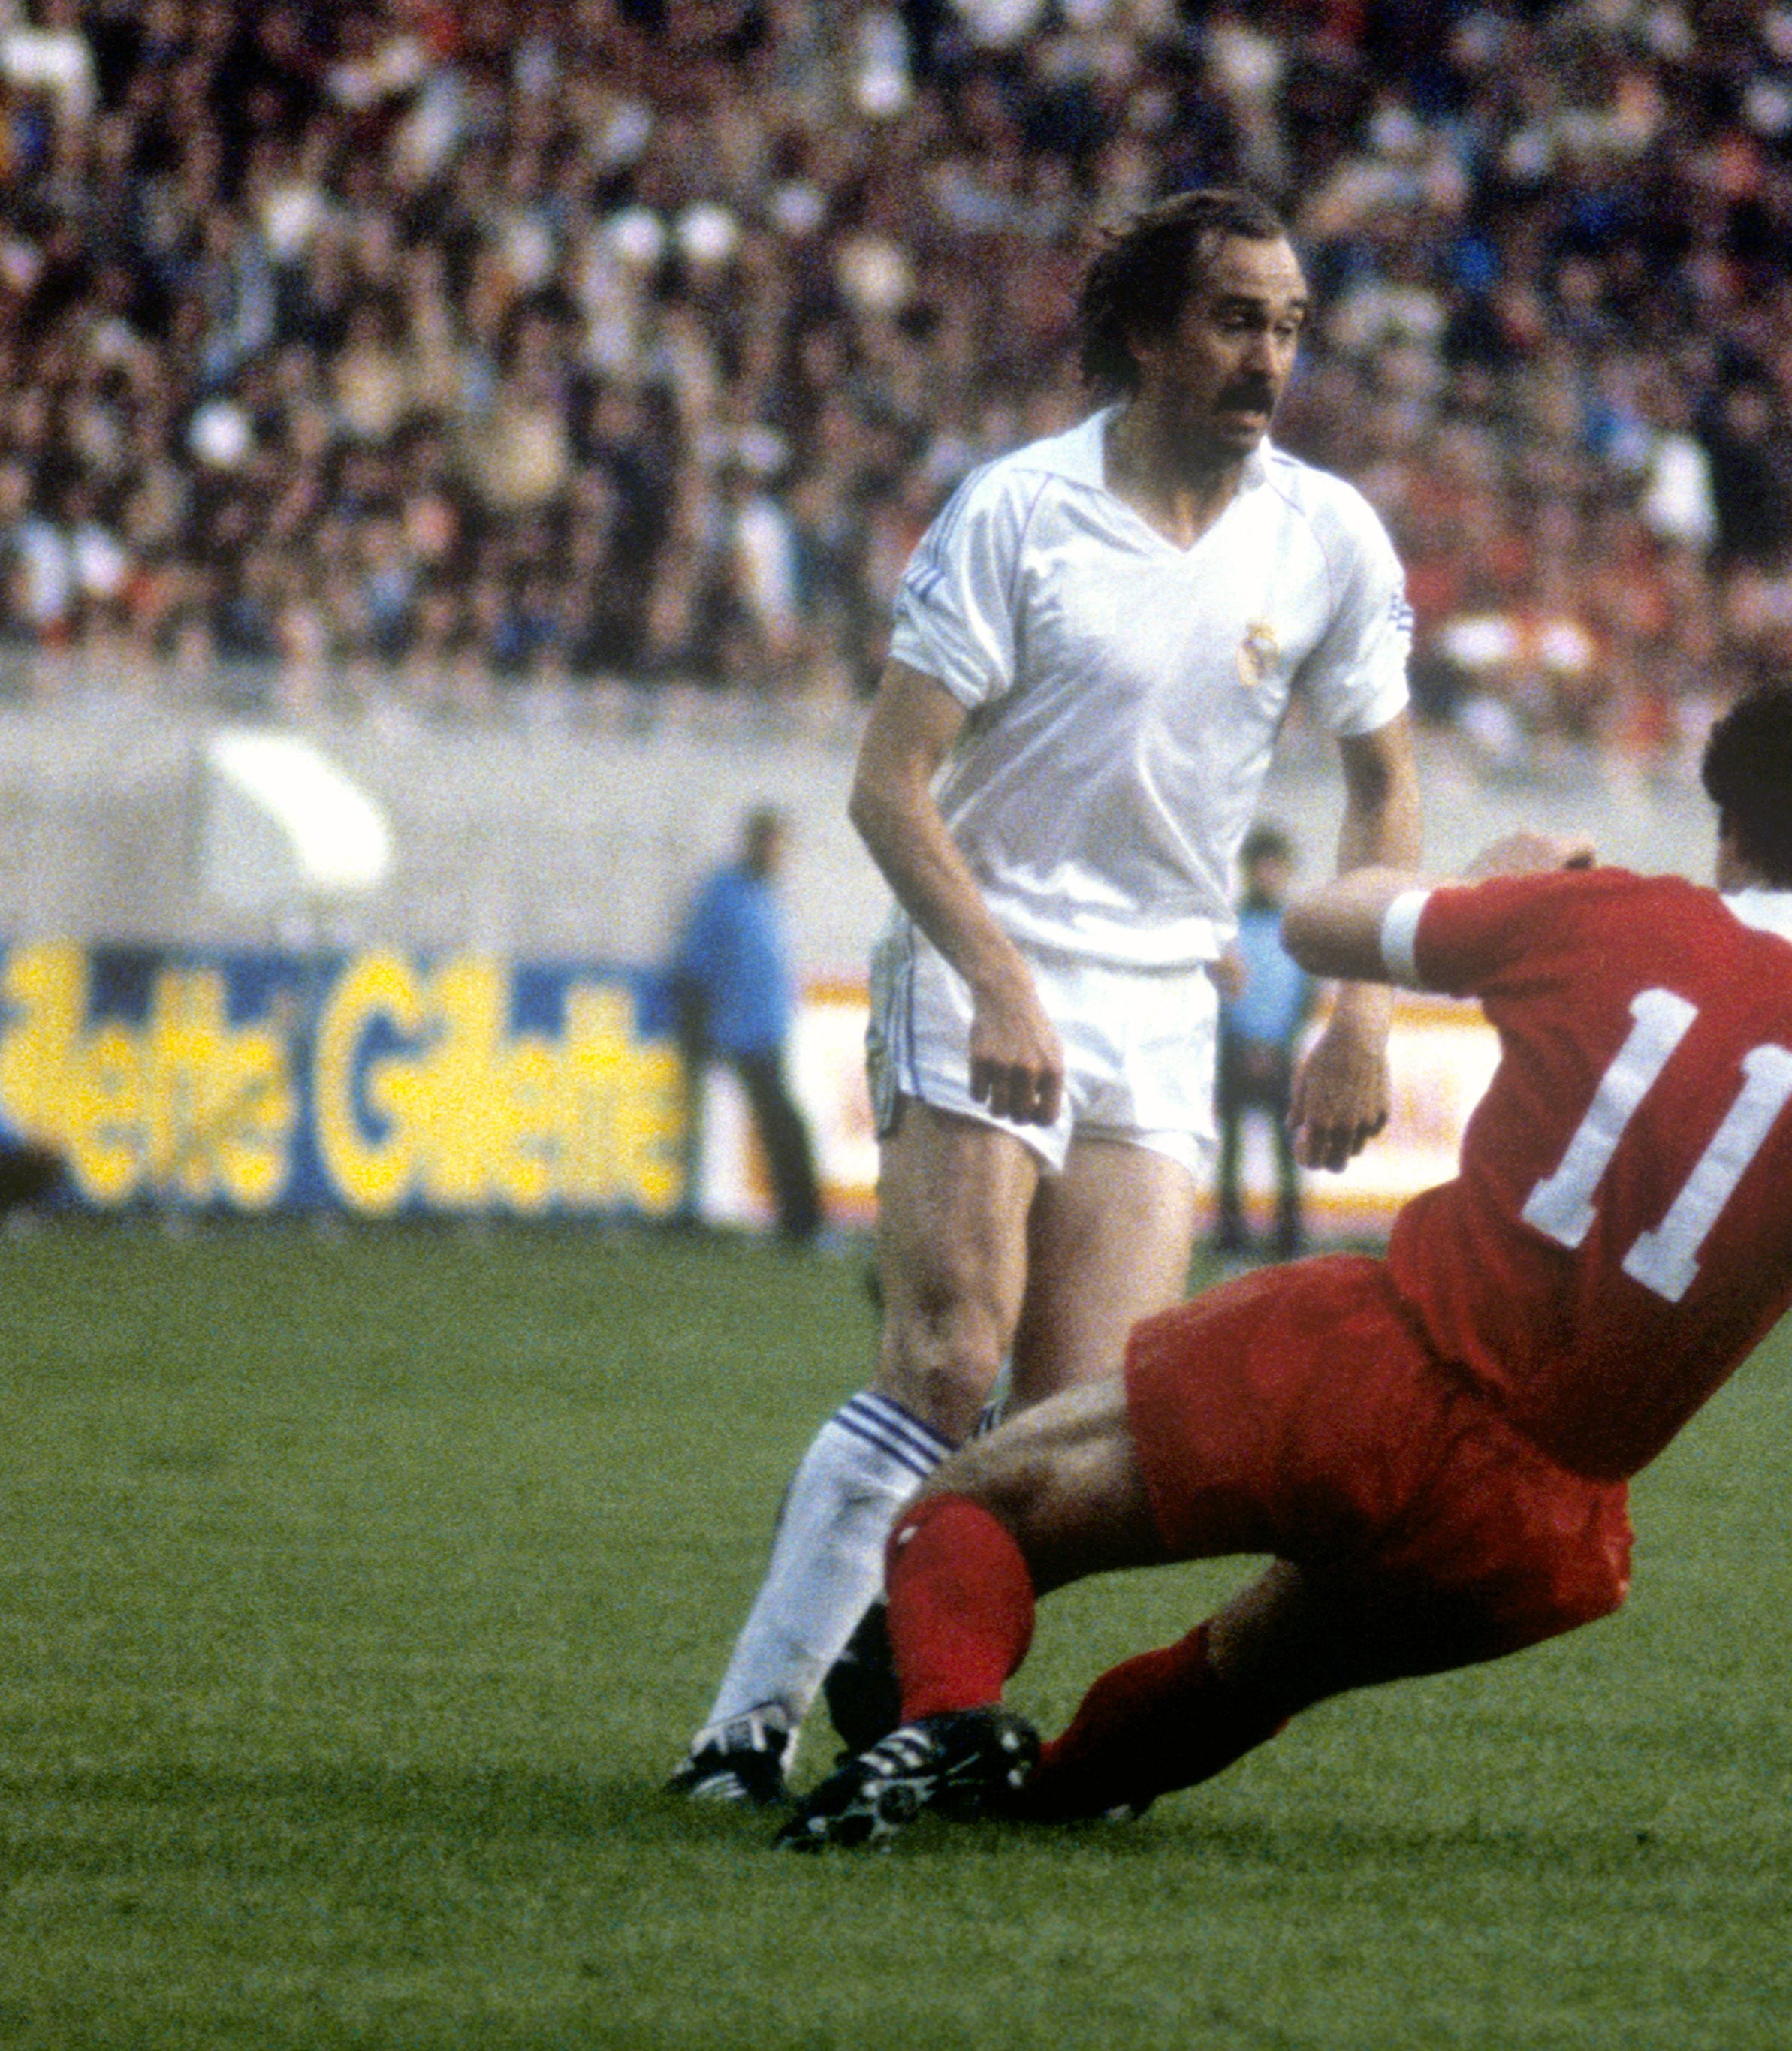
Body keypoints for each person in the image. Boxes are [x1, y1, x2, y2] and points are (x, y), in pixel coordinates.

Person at [770, 669, 1792, 1853]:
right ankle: (1027, 1805)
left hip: (1375, 1365)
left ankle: (945, 1726)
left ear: (1732, 822)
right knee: (1249, 1665)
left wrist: (1501, 870)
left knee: (971, 1504)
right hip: (1542, 1523)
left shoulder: (1604, 917)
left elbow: (1320, 922)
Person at [671, 188, 1422, 1804]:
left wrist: (1358, 1010)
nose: (1267, 359)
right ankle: (741, 1735)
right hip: (980, 950)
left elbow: (1380, 785)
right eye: (1234, 319)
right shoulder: (1015, 511)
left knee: (1074, 1432)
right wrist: (1000, 982)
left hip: (1163, 988)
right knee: (946, 1357)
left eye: (1289, 327)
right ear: (1145, 332)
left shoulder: (1328, 537)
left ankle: (909, 1670)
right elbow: (889, 788)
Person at [668, 807, 825, 1247]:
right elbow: (697, 959)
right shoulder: (725, 892)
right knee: (733, 1122)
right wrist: (696, 1020)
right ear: (754, 843)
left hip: (764, 1029)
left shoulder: (767, 895)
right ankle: (700, 1212)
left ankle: (800, 1220)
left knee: (780, 1123)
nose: (777, 853)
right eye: (771, 842)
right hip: (730, 1027)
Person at [1214, 823, 1320, 1259]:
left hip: (1280, 1055)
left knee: (1287, 1152)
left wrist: (1282, 1046)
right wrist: (1239, 1045)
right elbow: (1220, 988)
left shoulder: (1296, 927)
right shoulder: (1229, 923)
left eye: (1277, 867)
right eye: (1261, 866)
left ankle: (1289, 1240)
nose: (1268, 875)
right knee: (1232, 1151)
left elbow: (1304, 996)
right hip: (1235, 1054)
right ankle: (1231, 1241)